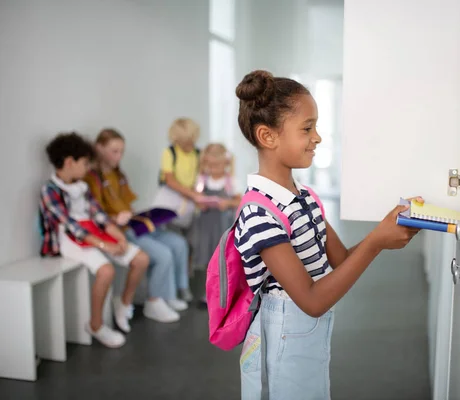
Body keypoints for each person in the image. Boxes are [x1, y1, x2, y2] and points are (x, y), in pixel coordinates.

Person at [233, 70, 423, 399]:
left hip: (308, 335)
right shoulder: (259, 213)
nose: (317, 137)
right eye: (307, 128)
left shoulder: (304, 197)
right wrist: (377, 242)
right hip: (286, 335)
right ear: (268, 137)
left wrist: (387, 228)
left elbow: (342, 260)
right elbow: (312, 300)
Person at [39, 132, 150, 348]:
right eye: (84, 163)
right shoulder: (50, 190)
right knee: (106, 270)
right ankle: (96, 324)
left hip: (93, 231)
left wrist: (118, 236)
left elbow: (98, 215)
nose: (87, 168)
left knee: (141, 259)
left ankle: (123, 304)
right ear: (69, 162)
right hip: (70, 239)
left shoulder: (82, 186)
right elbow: (71, 227)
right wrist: (103, 244)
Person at [86, 128, 189, 323]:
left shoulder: (119, 175)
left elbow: (127, 203)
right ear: (99, 148)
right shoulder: (92, 179)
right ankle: (154, 301)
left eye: (121, 151)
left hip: (134, 224)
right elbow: (95, 213)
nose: (119, 156)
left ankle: (170, 295)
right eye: (114, 151)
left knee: (178, 243)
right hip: (120, 230)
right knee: (163, 253)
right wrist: (116, 218)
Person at [158, 117, 204, 301]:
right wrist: (191, 194)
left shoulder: (198, 153)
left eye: (192, 140)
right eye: (186, 141)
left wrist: (197, 194)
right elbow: (169, 180)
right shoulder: (169, 153)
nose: (190, 144)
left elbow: (201, 177)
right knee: (176, 245)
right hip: (172, 206)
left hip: (191, 207)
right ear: (176, 139)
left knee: (190, 245)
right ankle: (177, 287)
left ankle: (185, 281)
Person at [190, 143, 241, 304]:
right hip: (205, 227)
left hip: (222, 227)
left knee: (223, 259)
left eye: (217, 165)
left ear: (225, 163)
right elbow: (197, 197)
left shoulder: (230, 181)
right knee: (208, 258)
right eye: (210, 165)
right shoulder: (202, 180)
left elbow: (239, 200)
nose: (214, 169)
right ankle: (209, 294)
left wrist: (227, 203)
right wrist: (200, 203)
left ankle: (225, 293)